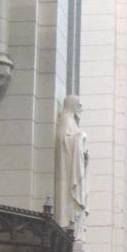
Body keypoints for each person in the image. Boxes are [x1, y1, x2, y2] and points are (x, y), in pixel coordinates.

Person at [54, 94, 89, 240]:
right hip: (68, 172)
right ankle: (68, 226)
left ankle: (75, 231)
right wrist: (80, 137)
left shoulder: (73, 123)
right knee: (71, 204)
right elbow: (64, 141)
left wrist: (84, 154)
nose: (81, 108)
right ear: (72, 105)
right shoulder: (66, 120)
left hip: (74, 168)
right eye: (79, 105)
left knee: (77, 209)